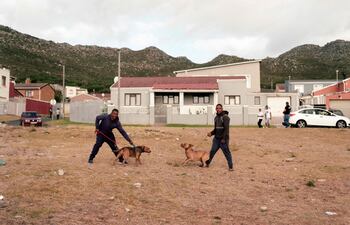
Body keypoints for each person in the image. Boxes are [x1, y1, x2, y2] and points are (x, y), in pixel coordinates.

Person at [205, 104, 234, 171]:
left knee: (227, 152)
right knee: (212, 151)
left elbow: (226, 129)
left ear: (222, 109)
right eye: (217, 108)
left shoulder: (225, 117)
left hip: (223, 140)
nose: (218, 109)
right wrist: (211, 133)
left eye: (219, 108)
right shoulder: (216, 118)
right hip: (216, 139)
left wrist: (224, 139)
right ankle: (207, 163)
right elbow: (216, 129)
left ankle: (231, 166)